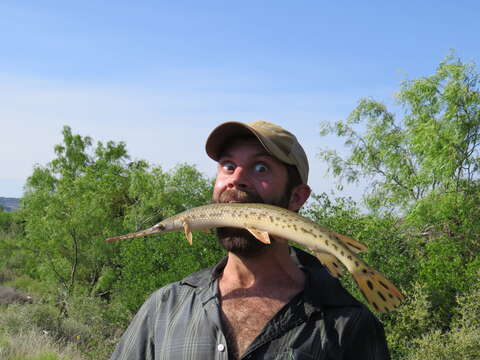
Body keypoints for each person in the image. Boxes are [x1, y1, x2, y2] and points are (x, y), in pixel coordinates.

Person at [110, 121, 390, 359]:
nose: (237, 179)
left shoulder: (348, 323)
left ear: (297, 197)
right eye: (228, 165)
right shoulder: (164, 307)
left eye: (260, 168)